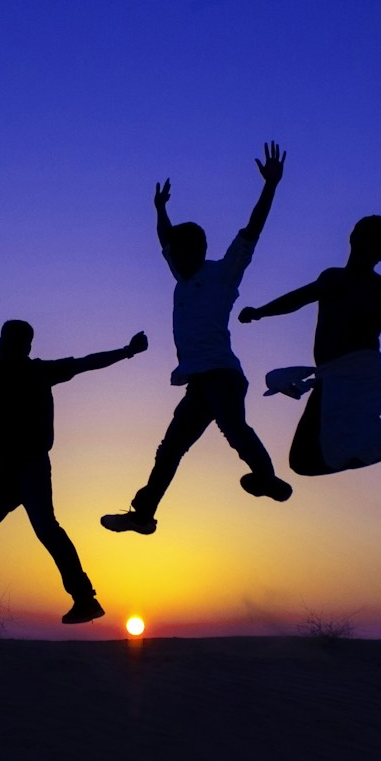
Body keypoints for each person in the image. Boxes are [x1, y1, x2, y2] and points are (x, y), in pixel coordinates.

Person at [100, 142, 294, 536]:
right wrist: (160, 211)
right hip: (198, 383)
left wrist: (270, 186)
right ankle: (143, 514)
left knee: (233, 428)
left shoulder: (223, 274)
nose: (174, 260)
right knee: (169, 449)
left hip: (222, 376)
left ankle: (267, 478)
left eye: (182, 255)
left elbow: (252, 231)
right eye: (174, 256)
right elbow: (165, 240)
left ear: (199, 251)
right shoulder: (182, 278)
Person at [0, 300, 147, 632]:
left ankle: (84, 598)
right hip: (4, 470)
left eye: (5, 340)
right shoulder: (4, 368)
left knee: (42, 529)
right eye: (0, 339)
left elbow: (87, 363)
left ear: (21, 346)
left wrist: (127, 351)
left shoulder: (24, 370)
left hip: (29, 467)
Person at [238, 214, 381, 475]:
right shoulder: (333, 278)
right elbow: (298, 298)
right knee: (304, 459)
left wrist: (377, 306)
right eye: (369, 240)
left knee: (305, 460)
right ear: (353, 237)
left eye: (380, 246)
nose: (373, 250)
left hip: (359, 375)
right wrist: (261, 311)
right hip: (330, 375)